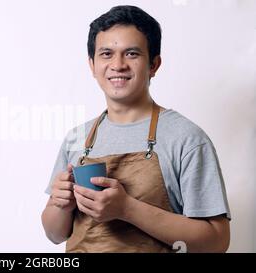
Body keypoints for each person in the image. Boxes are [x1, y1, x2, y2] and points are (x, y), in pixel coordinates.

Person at [41, 5, 231, 253]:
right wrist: (60, 204)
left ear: (154, 64)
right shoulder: (77, 138)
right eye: (106, 54)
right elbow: (55, 234)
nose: (117, 65)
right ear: (92, 64)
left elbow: (216, 242)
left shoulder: (186, 138)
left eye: (131, 53)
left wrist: (126, 209)